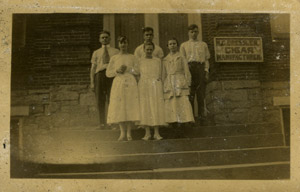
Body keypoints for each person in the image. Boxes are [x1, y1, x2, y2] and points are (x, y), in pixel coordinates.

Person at [106, 36, 140, 141]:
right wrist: (117, 70)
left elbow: (138, 71)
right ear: (118, 45)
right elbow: (108, 73)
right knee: (120, 106)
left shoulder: (133, 57)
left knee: (129, 105)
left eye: (125, 43)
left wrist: (129, 69)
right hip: (119, 82)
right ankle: (122, 132)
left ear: (128, 44)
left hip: (130, 82)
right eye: (121, 43)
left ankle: (129, 133)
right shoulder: (114, 58)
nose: (123, 45)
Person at [180, 24, 210, 122]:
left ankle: (202, 118)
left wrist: (206, 71)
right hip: (189, 69)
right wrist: (185, 73)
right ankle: (191, 119)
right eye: (191, 32)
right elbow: (183, 60)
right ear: (188, 33)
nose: (194, 34)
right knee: (190, 94)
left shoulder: (203, 44)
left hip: (200, 68)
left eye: (196, 31)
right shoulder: (184, 45)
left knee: (201, 94)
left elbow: (206, 59)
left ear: (198, 32)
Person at [90, 31, 119, 128]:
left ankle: (112, 122)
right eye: (102, 37)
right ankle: (102, 123)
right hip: (100, 75)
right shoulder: (96, 52)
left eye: (106, 37)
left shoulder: (115, 51)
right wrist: (92, 82)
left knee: (112, 99)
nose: (104, 39)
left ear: (110, 39)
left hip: (111, 76)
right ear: (99, 40)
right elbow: (93, 68)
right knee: (100, 99)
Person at [163, 38, 194, 126]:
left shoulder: (181, 57)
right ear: (168, 46)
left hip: (180, 80)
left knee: (182, 100)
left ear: (177, 45)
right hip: (170, 81)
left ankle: (184, 121)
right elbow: (164, 74)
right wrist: (164, 85)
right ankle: (173, 121)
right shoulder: (165, 59)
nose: (172, 45)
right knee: (172, 101)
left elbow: (186, 71)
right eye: (170, 44)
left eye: (174, 44)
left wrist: (188, 84)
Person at [138, 41, 166, 140]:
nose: (149, 51)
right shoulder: (140, 61)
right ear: (144, 50)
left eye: (150, 49)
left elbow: (161, 73)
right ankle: (147, 133)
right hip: (144, 85)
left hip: (155, 85)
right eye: (147, 49)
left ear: (153, 50)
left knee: (155, 107)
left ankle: (156, 133)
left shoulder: (158, 60)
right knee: (145, 107)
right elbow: (137, 73)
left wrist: (160, 83)